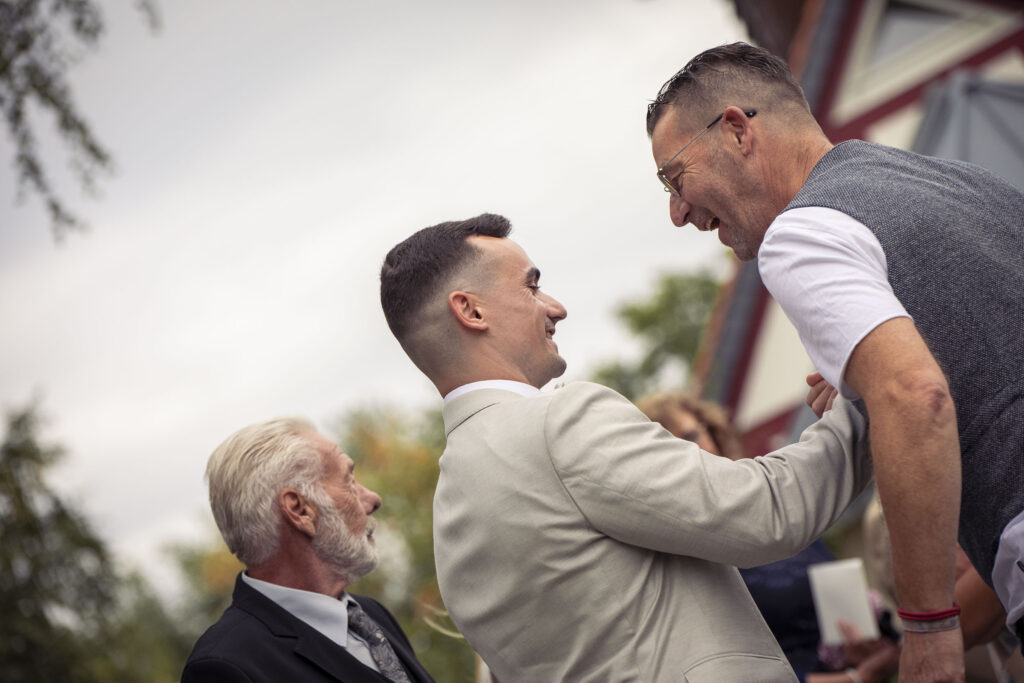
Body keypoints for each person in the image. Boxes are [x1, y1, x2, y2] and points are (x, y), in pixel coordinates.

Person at [646, 42, 1024, 682]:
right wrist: (866, 386)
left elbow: (914, 394)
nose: (678, 213)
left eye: (675, 178)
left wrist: (929, 633)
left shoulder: (800, 233)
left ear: (736, 130)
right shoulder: (960, 182)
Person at [379, 213, 874, 682]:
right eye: (531, 286)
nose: (556, 307)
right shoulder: (560, 422)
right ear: (470, 310)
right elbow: (766, 511)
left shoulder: (449, 511)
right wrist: (866, 396)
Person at [637, 392, 901, 683]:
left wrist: (868, 645)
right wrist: (853, 679)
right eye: (673, 449)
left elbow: (848, 608)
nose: (691, 453)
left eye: (691, 436)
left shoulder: (775, 509)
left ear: (713, 433)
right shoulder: (678, 562)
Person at [181, 418, 435, 683]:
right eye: (348, 480)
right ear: (299, 510)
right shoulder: (226, 667)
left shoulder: (371, 615)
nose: (373, 499)